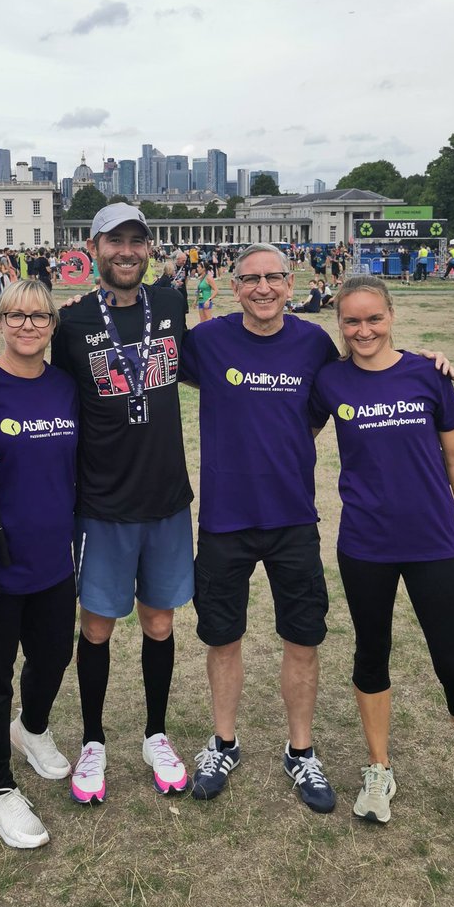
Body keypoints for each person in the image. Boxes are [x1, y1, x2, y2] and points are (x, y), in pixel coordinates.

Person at [311, 275, 454, 845]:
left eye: (373, 318)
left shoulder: (428, 373)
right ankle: (378, 770)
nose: (363, 330)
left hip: (433, 544)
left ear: (391, 315)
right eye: (351, 321)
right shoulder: (329, 380)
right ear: (340, 325)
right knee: (371, 653)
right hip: (365, 546)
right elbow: (290, 429)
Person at [181, 244, 341, 812]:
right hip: (225, 518)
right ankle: (224, 742)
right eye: (251, 279)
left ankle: (301, 752)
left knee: (303, 636)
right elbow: (139, 356)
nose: (263, 288)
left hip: (293, 517)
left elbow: (346, 386)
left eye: (274, 277)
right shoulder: (207, 341)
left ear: (290, 281)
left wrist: (427, 358)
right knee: (222, 636)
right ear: (233, 284)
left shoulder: (314, 343)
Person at [51, 204, 193, 804]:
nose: (127, 251)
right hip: (102, 503)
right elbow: (42, 396)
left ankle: (156, 733)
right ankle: (92, 739)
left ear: (148, 248)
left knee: (160, 623)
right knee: (98, 627)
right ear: (94, 246)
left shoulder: (172, 306)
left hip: (165, 499)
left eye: (137, 240)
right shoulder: (71, 323)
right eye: (115, 241)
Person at [0, 280, 79, 849]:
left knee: (54, 654)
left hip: (54, 556)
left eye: (39, 317)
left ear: (53, 324)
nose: (27, 325)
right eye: (15, 315)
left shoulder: (65, 387)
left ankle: (32, 730)